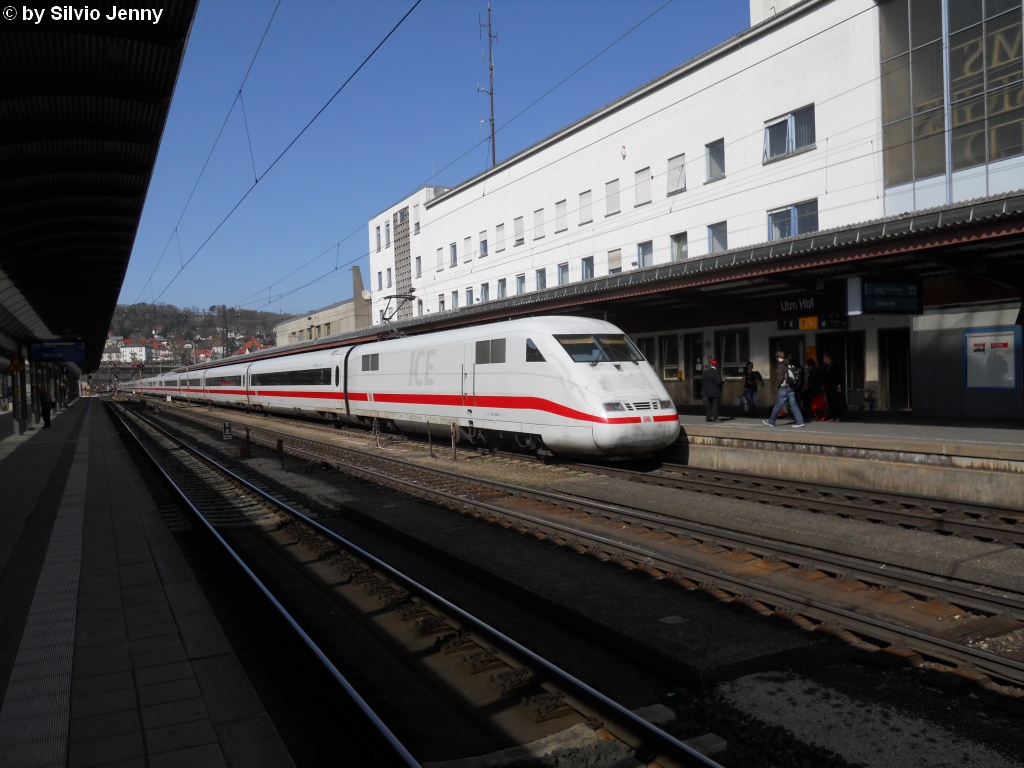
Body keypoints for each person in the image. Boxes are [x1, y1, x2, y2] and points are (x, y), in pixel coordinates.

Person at [763, 350, 805, 428]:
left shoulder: (781, 365)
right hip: (791, 387)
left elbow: (780, 378)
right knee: (794, 405)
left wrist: (777, 386)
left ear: (777, 357)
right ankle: (800, 421)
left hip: (783, 388)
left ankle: (771, 421)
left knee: (777, 406)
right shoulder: (789, 364)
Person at [822, 353, 846, 422]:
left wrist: (839, 385)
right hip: (828, 386)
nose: (823, 360)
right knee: (830, 402)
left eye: (824, 358)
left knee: (836, 401)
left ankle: (838, 417)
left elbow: (840, 376)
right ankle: (833, 416)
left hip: (835, 386)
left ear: (828, 358)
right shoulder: (825, 366)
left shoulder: (835, 366)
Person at [701, 357, 723, 423]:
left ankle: (708, 418)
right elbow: (719, 382)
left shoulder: (705, 372)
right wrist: (723, 381)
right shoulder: (716, 372)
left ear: (710, 365)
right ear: (717, 365)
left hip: (708, 391)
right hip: (715, 391)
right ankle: (715, 418)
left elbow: (702, 381)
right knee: (715, 404)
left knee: (709, 404)